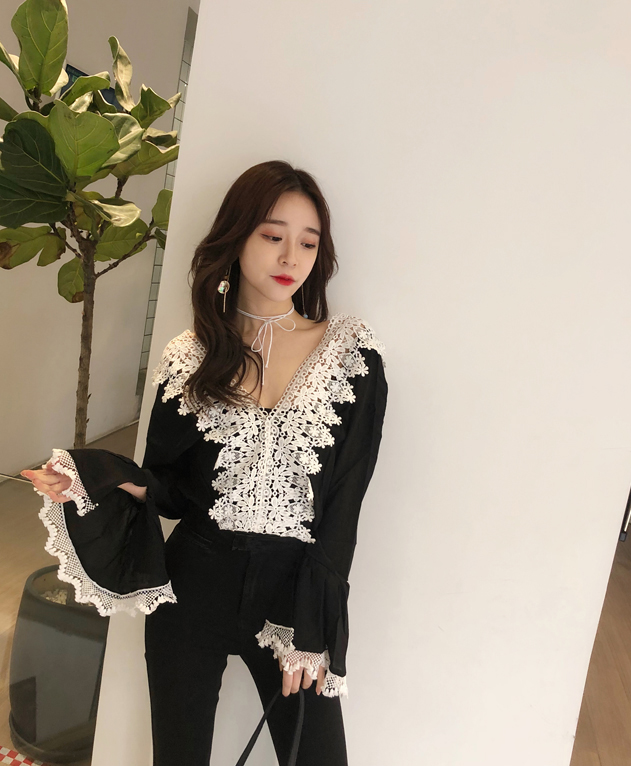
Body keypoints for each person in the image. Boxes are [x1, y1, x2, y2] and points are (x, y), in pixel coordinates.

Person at [21, 160, 388, 766]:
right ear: (237, 237)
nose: (290, 256)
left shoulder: (350, 355)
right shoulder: (190, 356)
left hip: (291, 594)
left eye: (308, 242)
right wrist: (95, 478)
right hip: (193, 585)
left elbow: (345, 503)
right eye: (272, 235)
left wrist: (313, 626)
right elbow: (170, 489)